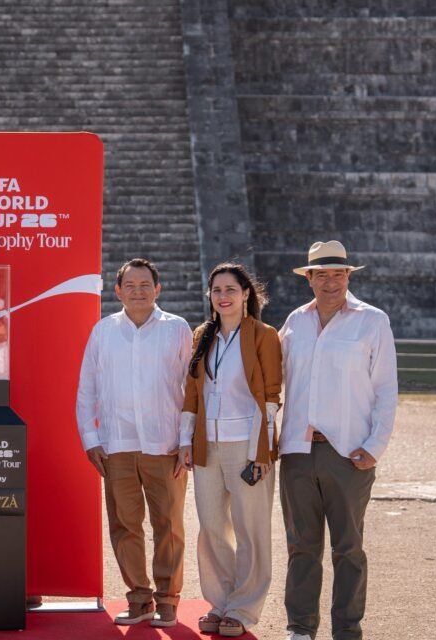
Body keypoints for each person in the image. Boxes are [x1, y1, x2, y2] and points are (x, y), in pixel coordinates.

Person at [278, 241, 397, 640]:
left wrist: (375, 446)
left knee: (348, 548)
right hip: (297, 451)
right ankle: (300, 628)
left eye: (339, 273)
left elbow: (385, 389)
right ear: (308, 279)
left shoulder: (372, 321)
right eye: (323, 274)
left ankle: (347, 630)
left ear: (349, 276)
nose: (332, 282)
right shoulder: (293, 322)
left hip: (348, 454)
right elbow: (272, 382)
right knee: (301, 547)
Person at [76, 258, 193, 628]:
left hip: (166, 445)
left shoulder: (177, 329)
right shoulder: (103, 331)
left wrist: (186, 440)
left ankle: (168, 600)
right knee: (125, 525)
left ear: (157, 289)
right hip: (117, 444)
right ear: (118, 291)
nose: (138, 290)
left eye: (146, 284)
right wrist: (91, 438)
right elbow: (87, 389)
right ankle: (139, 598)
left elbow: (192, 390)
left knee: (169, 526)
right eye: (131, 285)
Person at [179, 262, 282, 638]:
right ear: (210, 296)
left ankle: (243, 608)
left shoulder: (264, 335)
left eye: (231, 290)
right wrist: (184, 442)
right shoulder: (202, 335)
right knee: (211, 527)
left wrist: (263, 452)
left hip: (247, 445)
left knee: (250, 528)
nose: (223, 296)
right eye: (217, 290)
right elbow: (192, 393)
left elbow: (271, 398)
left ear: (246, 295)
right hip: (206, 445)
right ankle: (219, 603)